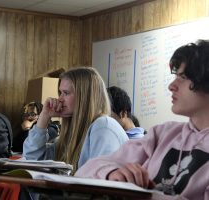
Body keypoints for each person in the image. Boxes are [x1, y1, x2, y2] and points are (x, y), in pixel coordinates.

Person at [75, 40, 209, 200]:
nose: (172, 86)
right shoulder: (164, 134)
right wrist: (112, 173)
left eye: (183, 77)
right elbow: (85, 170)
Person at [23, 67, 129, 172]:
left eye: (66, 93)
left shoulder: (104, 126)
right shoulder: (72, 136)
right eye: (60, 93)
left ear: (85, 97)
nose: (60, 99)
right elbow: (33, 161)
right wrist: (44, 116)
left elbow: (100, 181)